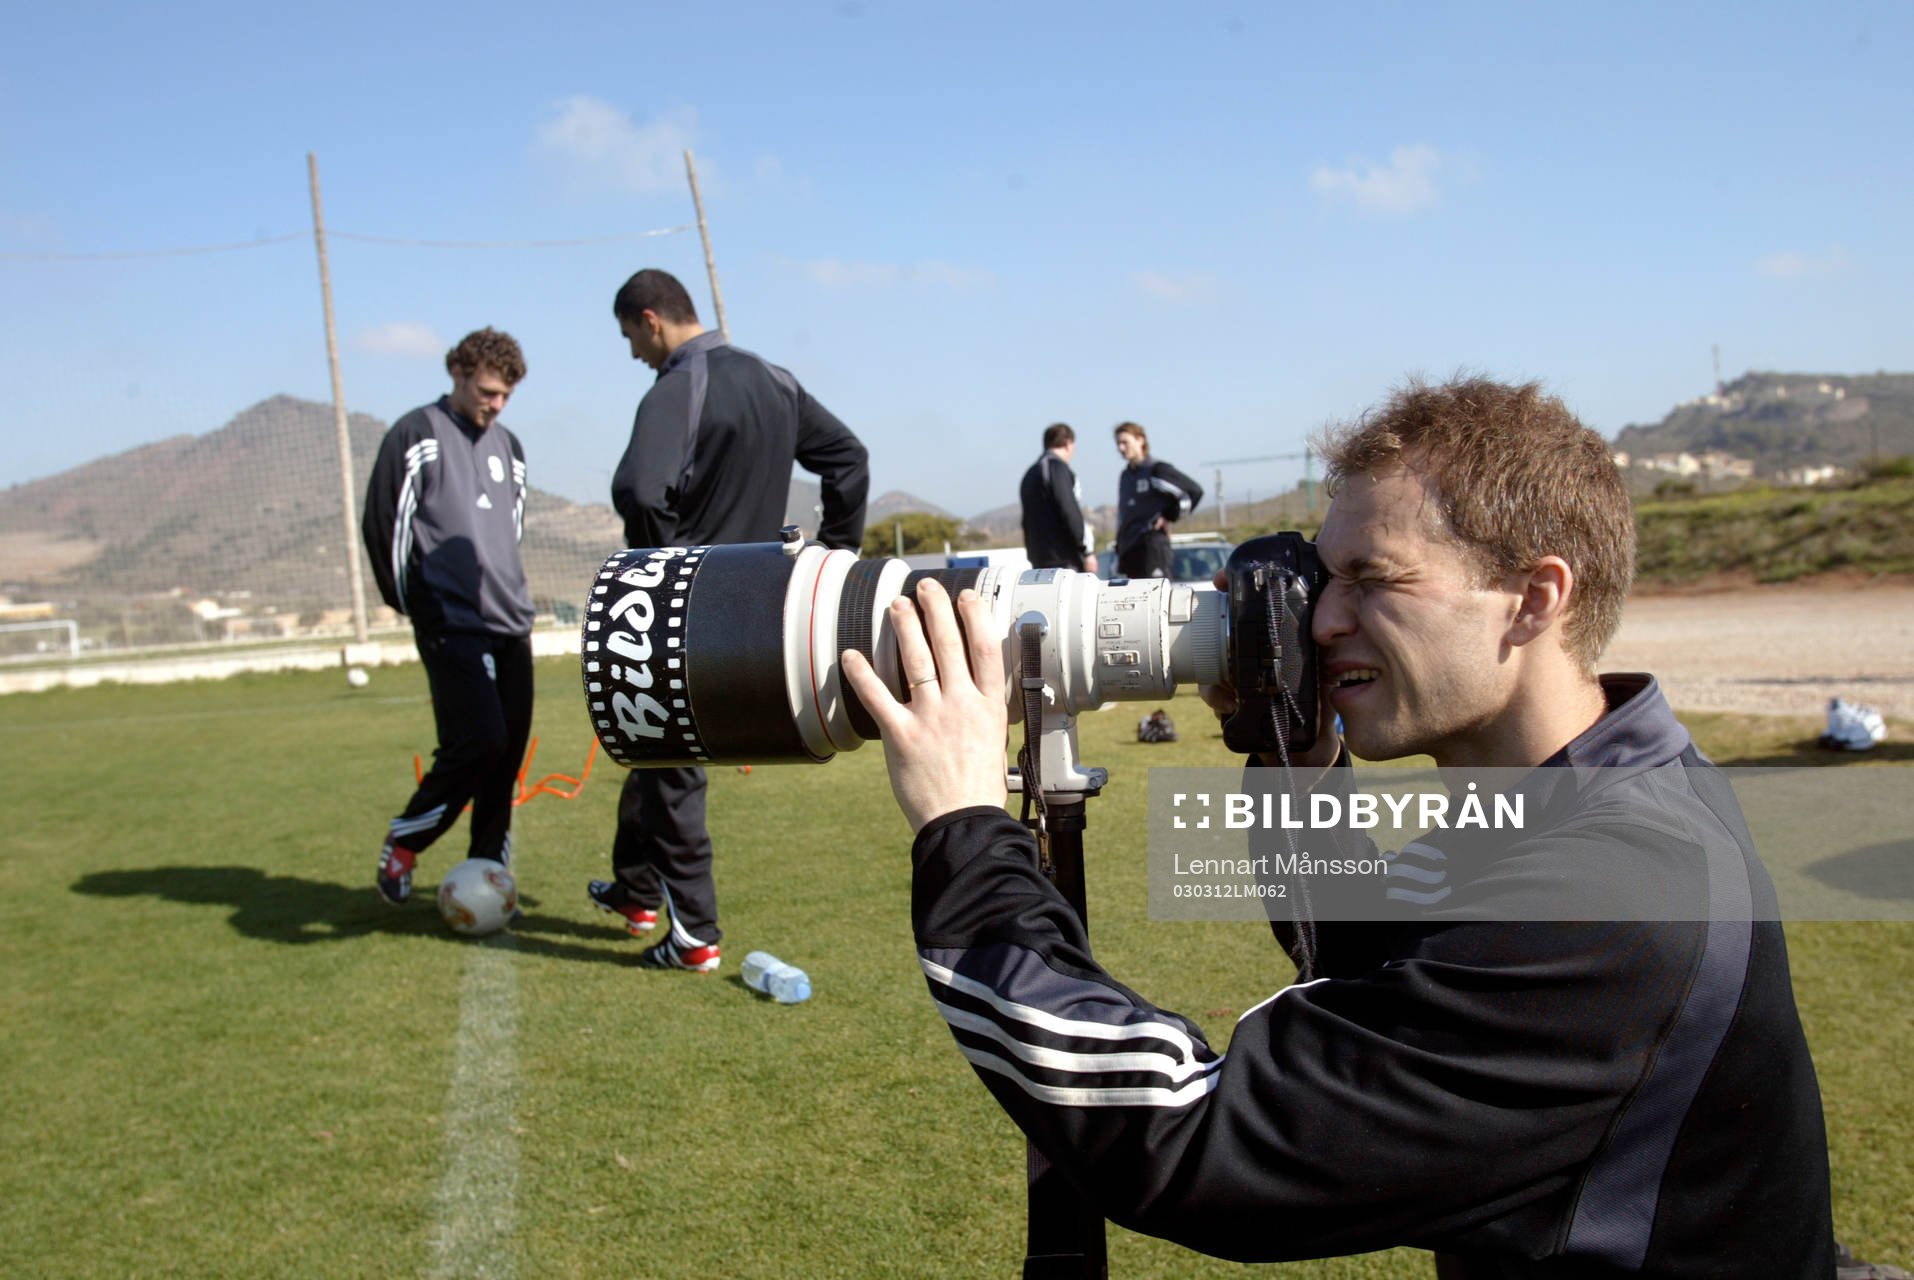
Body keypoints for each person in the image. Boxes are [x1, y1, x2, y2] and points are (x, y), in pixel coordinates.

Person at [842, 376, 1837, 1276]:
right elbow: (1375, 966)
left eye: (1375, 579)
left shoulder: (1615, 886)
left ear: (1534, 598)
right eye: (1325, 578)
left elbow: (1196, 1136)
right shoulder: (1600, 793)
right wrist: (1295, 748)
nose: (1322, 619)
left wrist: (967, 825)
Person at [594, 268, 868, 972]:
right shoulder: (774, 379)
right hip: (766, 608)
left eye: (630, 336)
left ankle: (695, 938)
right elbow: (848, 459)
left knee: (673, 763)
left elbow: (636, 486)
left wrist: (661, 568)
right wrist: (834, 557)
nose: (633, 353)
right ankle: (636, 891)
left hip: (685, 607)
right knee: (650, 741)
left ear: (652, 320)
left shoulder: (680, 384)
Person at [362, 328, 535, 906]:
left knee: (506, 752)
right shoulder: (416, 435)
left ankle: (487, 869)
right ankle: (406, 840)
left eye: (506, 396)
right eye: (487, 391)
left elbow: (508, 533)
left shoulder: (510, 447)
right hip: (449, 620)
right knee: (477, 742)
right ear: (458, 375)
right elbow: (383, 526)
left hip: (510, 621)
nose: (496, 404)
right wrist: (417, 605)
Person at [1112, 420, 1202, 579]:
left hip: (1152, 546)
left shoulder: (1156, 470)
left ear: (1140, 440)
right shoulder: (1125, 475)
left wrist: (1169, 515)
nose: (1121, 448)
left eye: (1125, 442)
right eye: (1118, 443)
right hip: (1129, 548)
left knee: (1156, 598)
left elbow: (1193, 492)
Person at [1019, 422, 1096, 572]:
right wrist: (1086, 551)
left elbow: (1026, 520)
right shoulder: (1057, 468)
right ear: (1068, 443)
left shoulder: (1030, 474)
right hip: (1064, 558)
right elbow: (1069, 509)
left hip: (1039, 558)